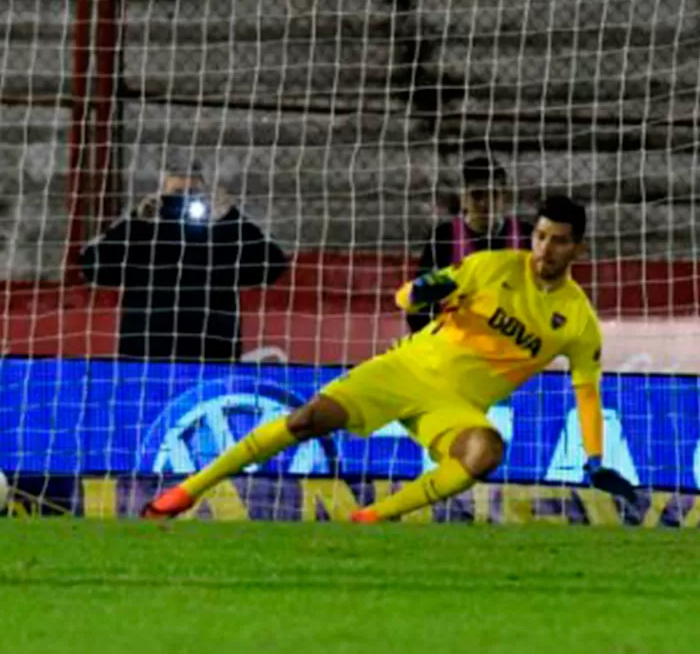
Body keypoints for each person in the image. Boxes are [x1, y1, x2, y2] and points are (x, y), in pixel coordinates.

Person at [142, 195, 637, 522]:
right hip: (403, 370)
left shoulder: (577, 321)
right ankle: (189, 491)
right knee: (308, 418)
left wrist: (594, 461)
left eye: (560, 241)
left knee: (485, 452)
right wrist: (422, 289)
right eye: (541, 236)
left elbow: (586, 392)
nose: (545, 249)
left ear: (579, 248)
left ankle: (374, 517)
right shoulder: (491, 266)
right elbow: (406, 298)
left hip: (455, 405)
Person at [78, 157, 289, 362]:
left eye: (193, 193)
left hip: (211, 356)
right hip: (146, 358)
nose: (184, 201)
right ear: (160, 196)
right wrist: (136, 220)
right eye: (176, 194)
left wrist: (231, 217)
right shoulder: (141, 237)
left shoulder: (223, 237)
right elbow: (93, 267)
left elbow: (272, 265)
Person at [407, 156, 529, 333]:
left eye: (493, 194)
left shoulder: (525, 236)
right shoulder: (444, 239)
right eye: (477, 195)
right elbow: (419, 305)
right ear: (463, 197)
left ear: (505, 196)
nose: (485, 204)